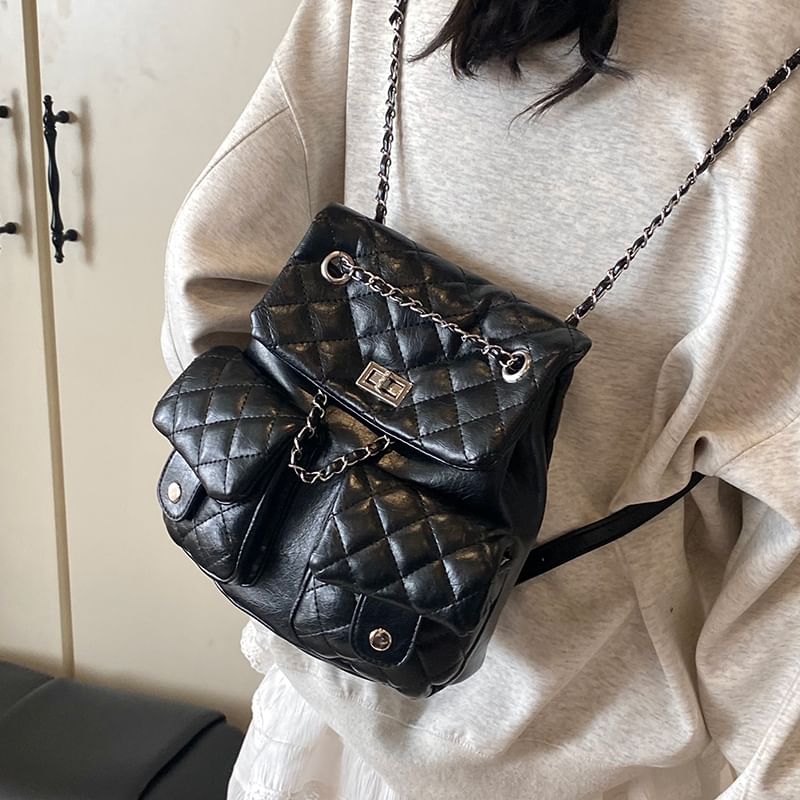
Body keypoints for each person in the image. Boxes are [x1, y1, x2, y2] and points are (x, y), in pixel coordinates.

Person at [159, 1, 800, 798]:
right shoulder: (776, 52)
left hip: (317, 694)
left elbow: (211, 269)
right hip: (582, 741)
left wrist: (290, 494)